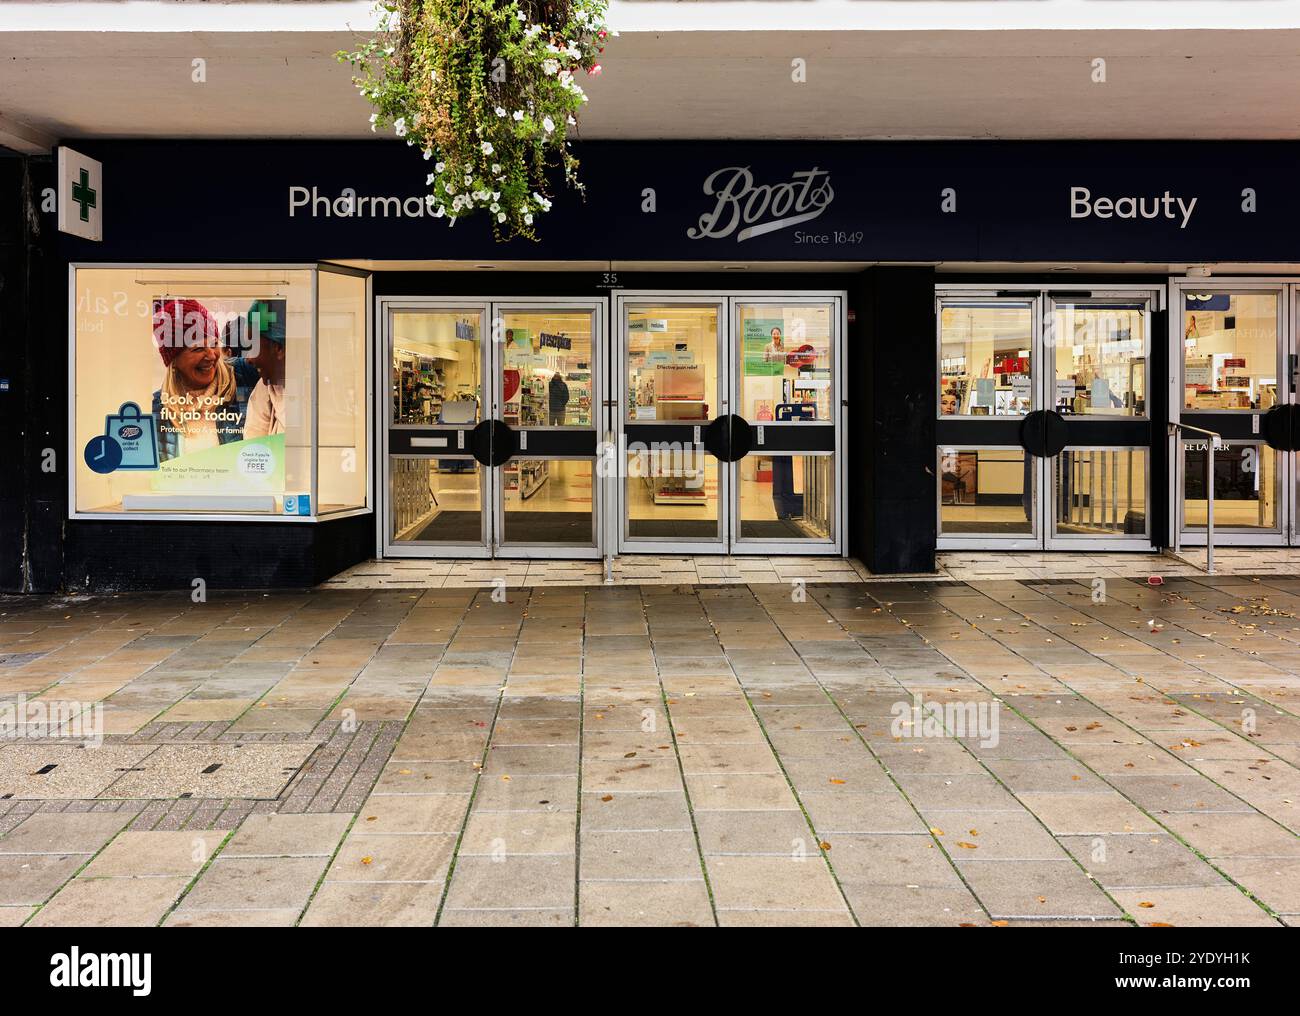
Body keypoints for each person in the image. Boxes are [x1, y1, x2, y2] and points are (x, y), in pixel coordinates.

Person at [151, 298, 255, 462]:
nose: (212, 355)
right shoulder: (157, 408)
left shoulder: (244, 376)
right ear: (173, 360)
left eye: (214, 344)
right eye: (198, 348)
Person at [242, 300, 287, 437]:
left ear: (278, 348)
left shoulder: (319, 397)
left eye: (253, 348)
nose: (248, 359)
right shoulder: (263, 391)